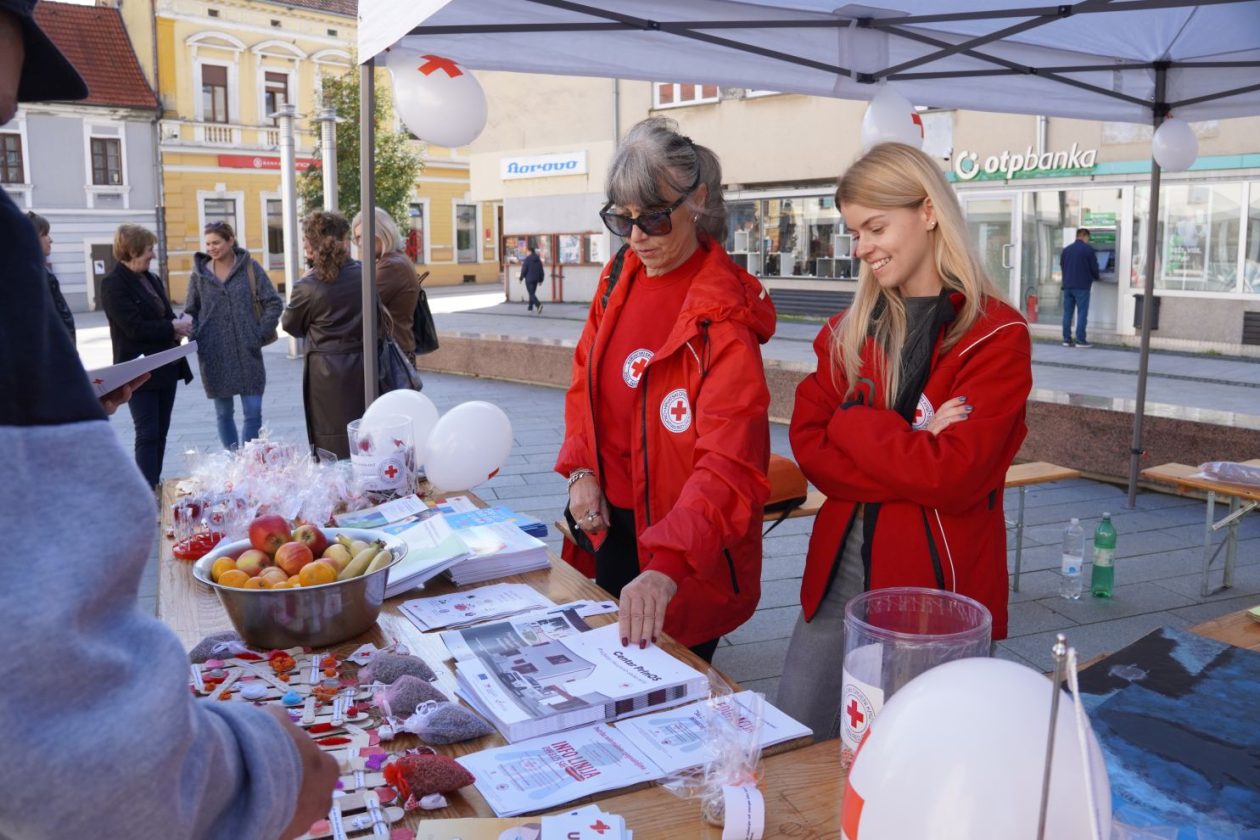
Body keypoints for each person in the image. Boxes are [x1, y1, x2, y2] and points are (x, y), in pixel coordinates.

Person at [0, 3, 338, 838]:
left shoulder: (247, 272)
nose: (8, 109)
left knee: (247, 424)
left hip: (242, 360)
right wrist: (263, 771)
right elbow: (58, 728)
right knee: (226, 429)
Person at [781, 142, 1032, 739]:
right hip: (840, 569)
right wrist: (914, 441)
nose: (862, 248)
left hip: (935, 586)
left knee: (916, 755)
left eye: (875, 227)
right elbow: (812, 449)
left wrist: (854, 421)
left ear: (927, 211)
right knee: (796, 737)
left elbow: (955, 476)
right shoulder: (847, 330)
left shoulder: (996, 336)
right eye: (854, 232)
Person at [556, 117, 776, 664]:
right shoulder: (617, 279)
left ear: (697, 200)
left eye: (654, 218)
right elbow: (584, 382)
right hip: (608, 526)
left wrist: (667, 567)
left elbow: (730, 463)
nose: (637, 238)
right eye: (621, 220)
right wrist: (582, 471)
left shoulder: (722, 318)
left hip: (687, 547)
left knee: (671, 699)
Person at [100, 223, 194, 489]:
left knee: (161, 432)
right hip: (137, 371)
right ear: (131, 250)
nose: (153, 254)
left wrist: (180, 325)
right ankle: (146, 490)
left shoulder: (151, 279)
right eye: (148, 249)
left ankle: (155, 484)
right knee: (147, 432)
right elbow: (133, 328)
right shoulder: (113, 284)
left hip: (166, 366)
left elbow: (164, 316)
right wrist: (171, 327)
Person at [185, 221, 283, 450]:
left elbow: (273, 302)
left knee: (253, 411)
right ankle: (233, 460)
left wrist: (258, 334)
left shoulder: (250, 268)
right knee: (223, 412)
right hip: (214, 354)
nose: (211, 248)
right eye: (208, 243)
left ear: (230, 240)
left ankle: (248, 462)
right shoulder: (199, 275)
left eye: (216, 242)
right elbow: (191, 310)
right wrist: (198, 337)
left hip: (248, 352)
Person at [282, 210, 365, 459]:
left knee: (331, 439)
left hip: (326, 374)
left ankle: (340, 493)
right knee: (364, 433)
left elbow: (290, 325)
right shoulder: (365, 273)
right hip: (366, 366)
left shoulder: (307, 285)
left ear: (312, 243)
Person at [353, 206, 418, 360]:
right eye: (358, 238)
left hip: (391, 355)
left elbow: (359, 305)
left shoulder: (391, 265)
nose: (360, 243)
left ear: (382, 233)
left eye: (364, 236)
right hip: (395, 350)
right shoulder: (395, 259)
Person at [27, 211, 75, 343]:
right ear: (32, 238)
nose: (51, 239)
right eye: (45, 234)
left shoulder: (41, 273)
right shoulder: (34, 277)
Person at [1060, 227, 1099, 347]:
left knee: (1067, 313)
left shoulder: (1066, 250)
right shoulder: (1088, 250)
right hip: (1082, 286)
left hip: (1067, 286)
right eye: (1088, 238)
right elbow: (1094, 268)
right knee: (1082, 313)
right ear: (1085, 236)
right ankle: (1080, 340)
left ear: (1077, 236)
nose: (1088, 240)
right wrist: (1096, 277)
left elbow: (1062, 265)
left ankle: (1066, 339)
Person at [520, 245, 544, 313]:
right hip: (536, 279)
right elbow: (541, 270)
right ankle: (530, 307)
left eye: (527, 251)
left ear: (530, 251)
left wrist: (521, 278)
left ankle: (538, 305)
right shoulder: (538, 259)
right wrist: (541, 279)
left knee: (531, 293)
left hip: (529, 279)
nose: (526, 253)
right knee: (532, 293)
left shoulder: (527, 259)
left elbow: (524, 270)